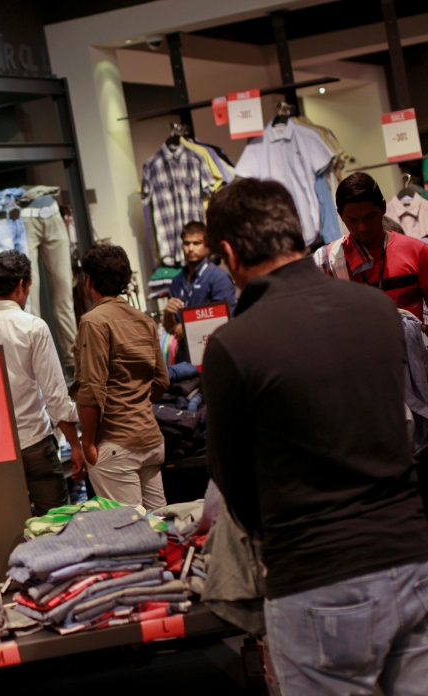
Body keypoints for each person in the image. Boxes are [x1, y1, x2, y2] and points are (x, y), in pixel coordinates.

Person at [202, 178, 428, 695]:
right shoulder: (379, 313)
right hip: (411, 556)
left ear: (232, 254)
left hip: (316, 574)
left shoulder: (234, 345)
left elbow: (234, 481)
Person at [0, 251, 83, 514]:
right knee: (56, 524)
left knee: (5, 527)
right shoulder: (33, 327)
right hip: (34, 442)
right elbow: (56, 398)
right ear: (22, 285)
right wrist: (76, 444)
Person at [73, 244, 169, 508]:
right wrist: (136, 404)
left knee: (129, 536)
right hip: (150, 439)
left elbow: (91, 389)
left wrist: (88, 442)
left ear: (89, 280)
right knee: (161, 530)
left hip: (115, 442)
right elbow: (162, 380)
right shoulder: (144, 320)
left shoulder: (93, 321)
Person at [315, 172, 428, 317]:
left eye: (369, 217)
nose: (362, 227)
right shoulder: (329, 260)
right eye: (352, 220)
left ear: (383, 207)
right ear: (341, 216)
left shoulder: (417, 251)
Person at [162, 221, 237, 363]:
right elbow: (171, 329)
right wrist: (167, 314)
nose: (190, 248)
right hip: (186, 359)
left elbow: (225, 321)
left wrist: (188, 329)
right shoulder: (177, 281)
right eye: (186, 243)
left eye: (196, 243)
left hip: (214, 356)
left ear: (207, 246)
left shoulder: (218, 278)